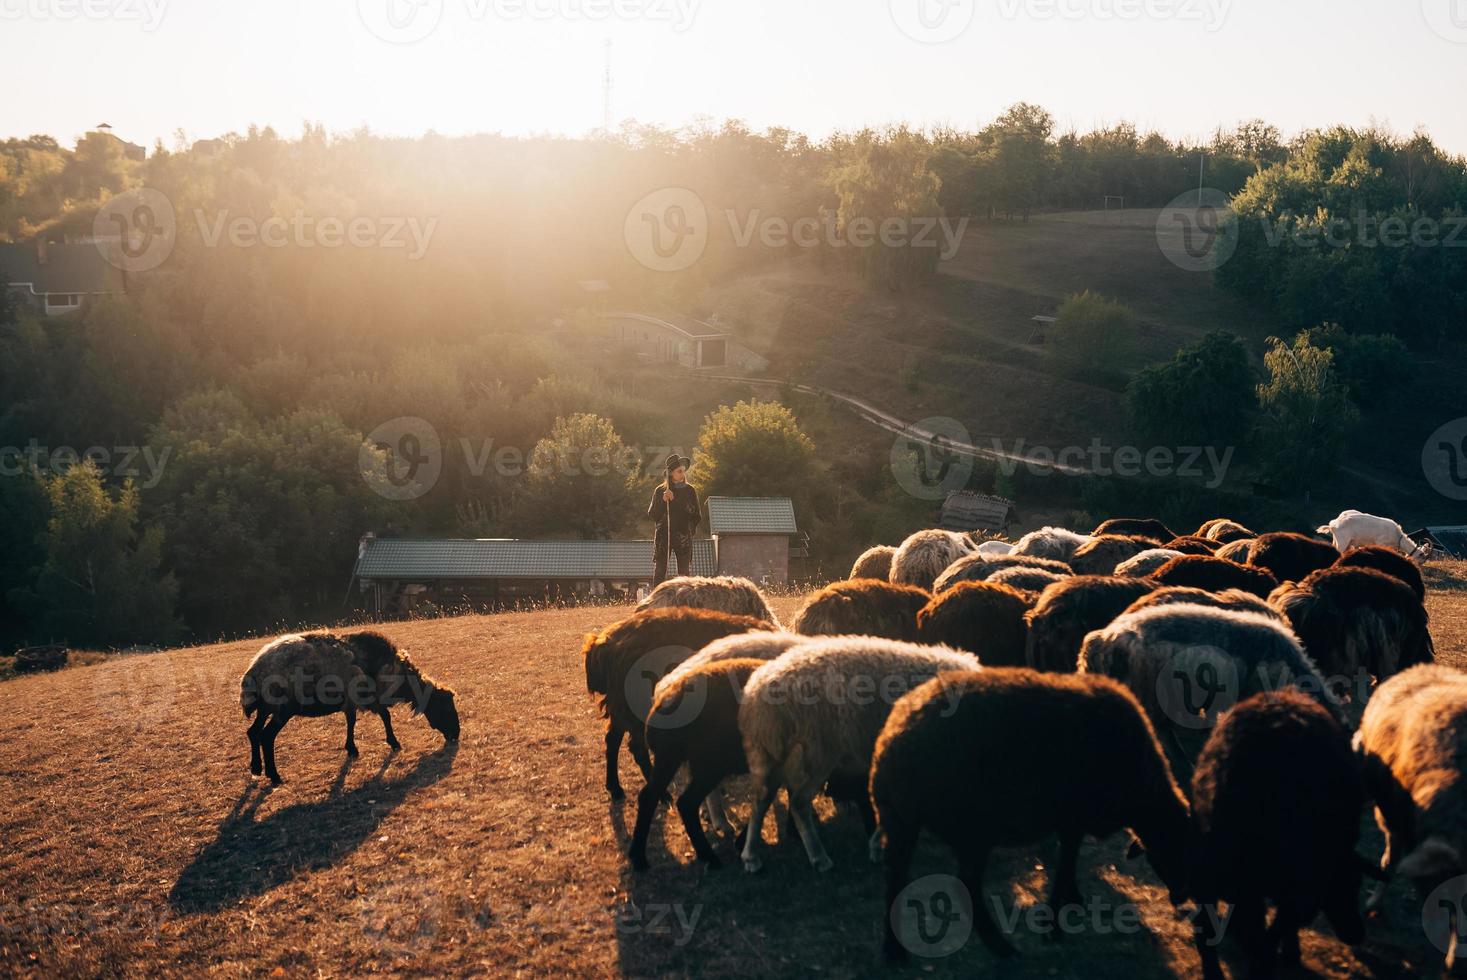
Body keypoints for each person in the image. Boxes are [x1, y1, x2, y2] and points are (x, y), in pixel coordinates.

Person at [647, 454, 700, 585]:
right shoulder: (660, 491)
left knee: (684, 572)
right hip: (664, 536)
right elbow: (653, 514)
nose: (682, 474)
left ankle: (684, 600)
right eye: (679, 471)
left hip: (683, 536)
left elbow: (695, 514)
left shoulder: (689, 491)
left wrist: (689, 529)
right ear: (671, 473)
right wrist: (663, 501)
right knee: (660, 570)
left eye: (683, 471)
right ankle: (658, 600)